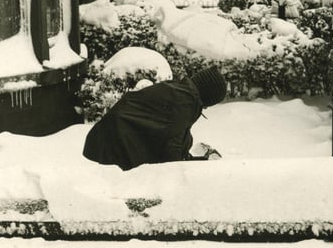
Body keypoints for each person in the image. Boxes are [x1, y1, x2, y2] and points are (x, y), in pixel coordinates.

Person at [83, 65, 227, 171]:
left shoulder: (182, 92)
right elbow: (172, 147)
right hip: (115, 141)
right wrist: (183, 174)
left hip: (110, 135)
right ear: (207, 96)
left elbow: (178, 136)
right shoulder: (186, 102)